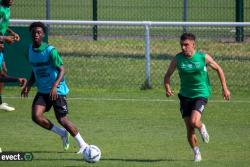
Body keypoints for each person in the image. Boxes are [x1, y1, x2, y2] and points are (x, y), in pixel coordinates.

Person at [21, 22, 90, 154]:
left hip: (57, 90)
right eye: (34, 32)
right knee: (36, 116)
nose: (36, 35)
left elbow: (62, 70)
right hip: (43, 90)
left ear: (43, 35)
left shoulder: (50, 51)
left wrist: (55, 85)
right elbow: (34, 70)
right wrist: (29, 84)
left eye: (39, 32)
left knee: (62, 119)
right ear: (30, 34)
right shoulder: (29, 51)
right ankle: (62, 133)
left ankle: (84, 145)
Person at [164, 33, 230, 162]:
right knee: (189, 128)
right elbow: (167, 76)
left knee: (195, 122)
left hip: (201, 94)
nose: (183, 47)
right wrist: (167, 88)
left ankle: (202, 127)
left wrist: (225, 88)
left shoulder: (203, 57)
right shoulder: (177, 59)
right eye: (181, 45)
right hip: (184, 96)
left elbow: (219, 69)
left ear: (193, 45)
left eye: (186, 45)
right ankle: (197, 153)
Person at [0, 0, 20, 111]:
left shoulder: (7, 7)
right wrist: (5, 38)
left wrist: (11, 32)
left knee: (3, 72)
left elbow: (2, 25)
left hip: (0, 44)